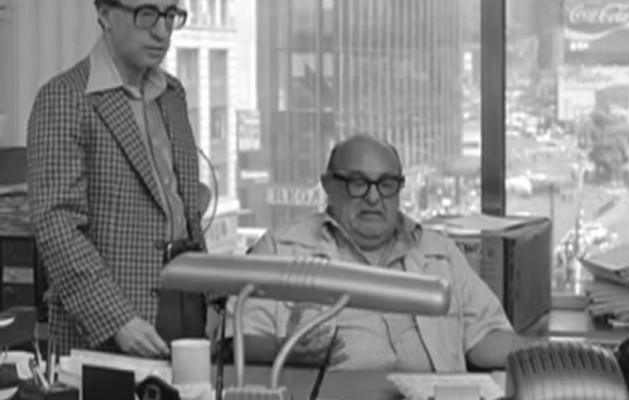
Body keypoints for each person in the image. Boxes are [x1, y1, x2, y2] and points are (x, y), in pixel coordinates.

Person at [221, 134, 530, 371]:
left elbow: (484, 337)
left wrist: (551, 352)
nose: (373, 198)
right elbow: (232, 344)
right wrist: (284, 350)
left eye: (386, 184)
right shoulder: (280, 250)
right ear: (328, 186)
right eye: (358, 183)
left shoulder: (439, 252)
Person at [27, 0, 207, 357]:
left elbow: (186, 214)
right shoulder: (65, 97)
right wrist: (116, 319)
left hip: (186, 303)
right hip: (109, 319)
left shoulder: (173, 95)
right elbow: (56, 224)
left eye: (171, 15)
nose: (162, 31)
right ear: (105, 14)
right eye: (147, 14)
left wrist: (211, 301)